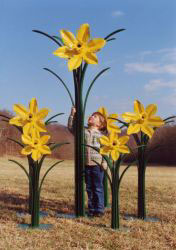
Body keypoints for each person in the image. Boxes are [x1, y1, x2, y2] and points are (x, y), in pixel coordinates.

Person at [68, 107, 107, 217]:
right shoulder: (83, 131)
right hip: (86, 164)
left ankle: (99, 210)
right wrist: (72, 114)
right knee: (89, 188)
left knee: (98, 187)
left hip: (97, 165)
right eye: (91, 115)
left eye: (95, 117)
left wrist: (104, 163)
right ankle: (91, 209)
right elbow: (71, 127)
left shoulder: (101, 136)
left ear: (100, 124)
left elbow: (106, 149)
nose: (91, 116)